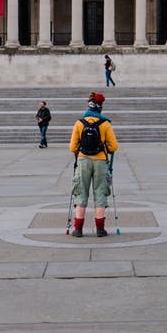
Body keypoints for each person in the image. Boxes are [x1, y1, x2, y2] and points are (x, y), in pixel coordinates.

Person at [69, 91, 119, 238]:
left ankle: (78, 229)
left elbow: (72, 148)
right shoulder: (105, 124)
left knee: (80, 194)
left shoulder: (79, 123)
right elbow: (113, 147)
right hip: (100, 162)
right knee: (100, 194)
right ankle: (100, 229)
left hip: (83, 160)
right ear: (100, 107)